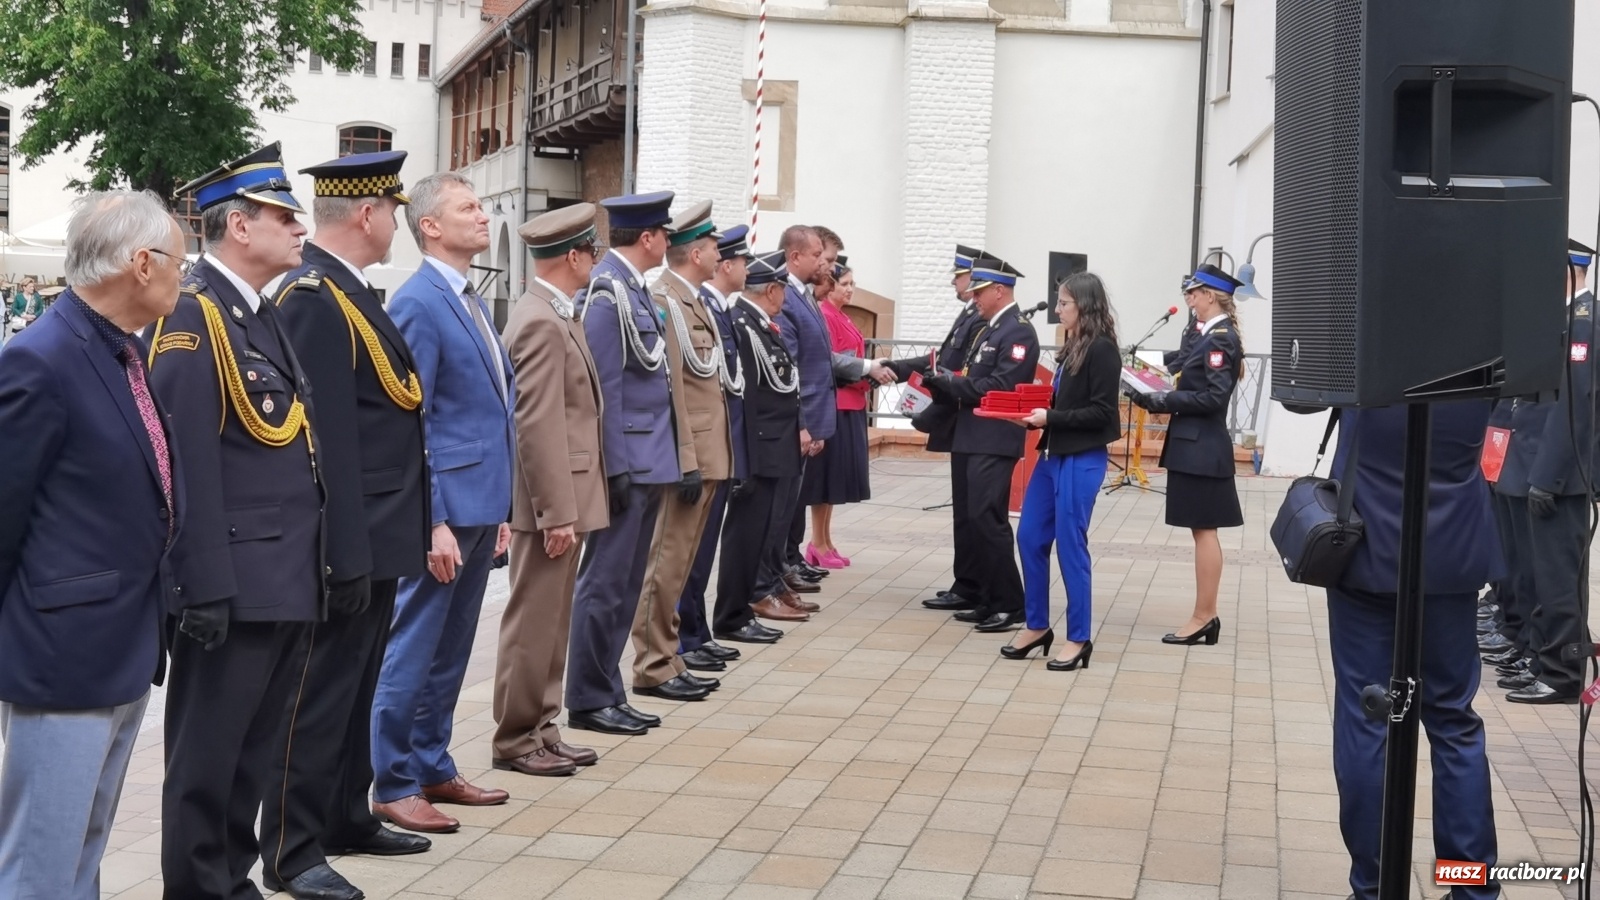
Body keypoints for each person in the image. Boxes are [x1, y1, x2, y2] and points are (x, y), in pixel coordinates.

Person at [148, 143, 326, 900]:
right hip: (234, 582)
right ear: (240, 227)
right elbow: (184, 463)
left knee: (251, 753)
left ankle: (230, 878)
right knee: (207, 757)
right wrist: (201, 587)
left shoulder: (258, 316)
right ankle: (197, 886)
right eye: (284, 214)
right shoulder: (194, 316)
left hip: (281, 575)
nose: (300, 226)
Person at [0, 191, 184, 900]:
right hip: (62, 656)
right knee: (41, 867)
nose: (183, 275)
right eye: (177, 259)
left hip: (120, 645)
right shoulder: (41, 359)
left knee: (81, 854)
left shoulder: (119, 351)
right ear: (141, 264)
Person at [261, 151, 435, 899]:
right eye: (392, 209)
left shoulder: (349, 293)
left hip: (380, 533)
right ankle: (293, 849)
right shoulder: (313, 298)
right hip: (348, 540)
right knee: (317, 696)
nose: (396, 221)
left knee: (356, 687)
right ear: (366, 213)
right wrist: (342, 552)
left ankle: (342, 814)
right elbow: (325, 439)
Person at [1314, 401, 1502, 899]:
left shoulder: (1367, 322)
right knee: (1453, 722)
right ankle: (1473, 889)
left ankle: (1374, 888)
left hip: (1367, 542)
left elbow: (1301, 390)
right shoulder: (1486, 327)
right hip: (1452, 549)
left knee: (1366, 719)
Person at [374, 172, 515, 833]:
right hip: (444, 514)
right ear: (430, 225)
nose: (483, 217)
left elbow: (489, 413)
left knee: (452, 649)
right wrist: (430, 519)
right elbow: (414, 420)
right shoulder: (420, 302)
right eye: (469, 208)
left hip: (480, 505)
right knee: (414, 645)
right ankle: (392, 780)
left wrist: (503, 507)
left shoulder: (468, 298)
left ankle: (432, 763)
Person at [493, 203, 607, 777]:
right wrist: (555, 511)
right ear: (572, 255)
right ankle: (515, 738)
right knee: (533, 619)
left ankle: (541, 725)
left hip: (567, 494)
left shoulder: (556, 312)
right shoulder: (540, 318)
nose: (596, 260)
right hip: (550, 502)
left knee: (553, 619)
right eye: (592, 251)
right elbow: (535, 425)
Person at [568, 190, 684, 737]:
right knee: (606, 583)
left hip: (649, 459)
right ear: (647, 238)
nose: (667, 241)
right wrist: (611, 467)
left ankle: (608, 689)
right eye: (664, 233)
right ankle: (589, 697)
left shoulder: (631, 290)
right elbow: (601, 389)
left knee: (626, 582)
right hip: (627, 463)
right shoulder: (608, 293)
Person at [630, 200, 733, 702]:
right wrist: (686, 459)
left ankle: (670, 655)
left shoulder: (693, 299)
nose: (720, 254)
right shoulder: (667, 299)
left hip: (710, 451)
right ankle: (651, 663)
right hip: (688, 454)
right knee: (666, 563)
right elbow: (671, 386)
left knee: (684, 562)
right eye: (714, 246)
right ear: (697, 252)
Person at [1005, 272, 1121, 669]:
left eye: (1064, 303)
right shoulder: (1073, 345)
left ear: (1084, 306)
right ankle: (1037, 625)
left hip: (1081, 458)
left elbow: (1104, 413)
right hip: (1052, 455)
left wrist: (1048, 416)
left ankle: (1078, 638)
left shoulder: (1102, 350)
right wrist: (1032, 415)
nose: (1057, 310)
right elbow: (1063, 401)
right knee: (1030, 537)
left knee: (1071, 545)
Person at [1128, 263, 1245, 645]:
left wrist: (1162, 398)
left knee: (1205, 531)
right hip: (1192, 445)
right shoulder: (1202, 334)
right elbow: (1179, 363)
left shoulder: (1222, 338)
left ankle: (1204, 615)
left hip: (1203, 447)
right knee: (1201, 531)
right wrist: (1136, 368)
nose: (1189, 300)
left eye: (1193, 294)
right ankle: (1204, 614)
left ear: (1210, 295)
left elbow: (1213, 398)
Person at [922, 254, 1040, 633]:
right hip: (973, 434)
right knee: (971, 518)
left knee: (987, 520)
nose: (974, 297)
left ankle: (1010, 603)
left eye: (980, 291)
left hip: (995, 436)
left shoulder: (1017, 332)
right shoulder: (990, 328)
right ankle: (986, 594)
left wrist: (952, 384)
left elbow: (1001, 387)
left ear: (999, 291)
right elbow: (974, 373)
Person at [1504, 238, 1596, 704]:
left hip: (1561, 475)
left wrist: (1550, 476)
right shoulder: (1564, 319)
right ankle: (1544, 659)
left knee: (1559, 580)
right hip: (1542, 467)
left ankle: (1562, 674)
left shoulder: (1584, 322)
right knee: (1541, 576)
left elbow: (1575, 407)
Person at [885, 245, 985, 610]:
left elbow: (949, 367)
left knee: (973, 513)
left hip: (966, 417)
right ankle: (966, 582)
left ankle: (972, 584)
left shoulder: (980, 318)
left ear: (973, 278)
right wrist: (893, 370)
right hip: (958, 419)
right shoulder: (969, 314)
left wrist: (895, 372)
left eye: (958, 276)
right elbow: (939, 361)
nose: (955, 283)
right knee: (963, 511)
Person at [674, 226, 757, 669]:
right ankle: (685, 637)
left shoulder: (717, 310)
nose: (746, 267)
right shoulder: (696, 304)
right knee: (686, 555)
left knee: (701, 554)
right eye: (740, 260)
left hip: (721, 449)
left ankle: (696, 631)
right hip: (702, 452)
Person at [712, 251, 804, 644]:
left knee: (761, 533)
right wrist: (743, 460)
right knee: (745, 536)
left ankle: (742, 610)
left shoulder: (759, 325)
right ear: (772, 290)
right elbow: (745, 396)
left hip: (773, 447)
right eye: (782, 288)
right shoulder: (745, 326)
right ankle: (733, 613)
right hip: (759, 450)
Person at [803, 260, 872, 566]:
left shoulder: (842, 316)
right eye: (844, 284)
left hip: (852, 401)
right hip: (838, 402)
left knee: (836, 480)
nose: (849, 289)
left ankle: (826, 540)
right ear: (830, 286)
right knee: (826, 478)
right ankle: (816, 541)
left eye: (852, 284)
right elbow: (832, 361)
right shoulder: (825, 315)